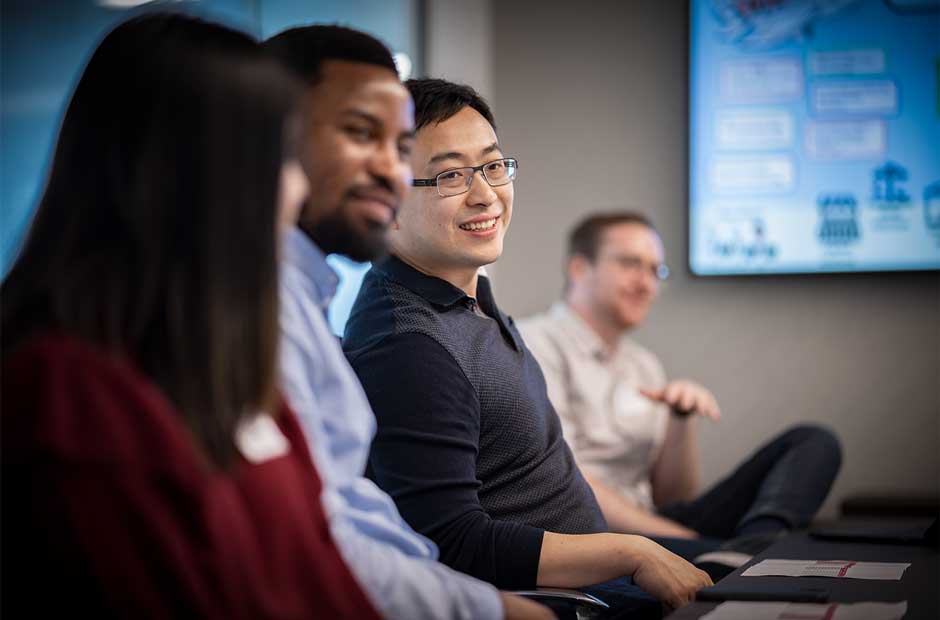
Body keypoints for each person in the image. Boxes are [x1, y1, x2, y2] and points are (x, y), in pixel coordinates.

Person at [1, 13, 377, 618]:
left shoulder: (223, 370)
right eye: (283, 161)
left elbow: (322, 573)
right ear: (204, 177)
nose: (299, 193)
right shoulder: (67, 397)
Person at [343, 78, 712, 618]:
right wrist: (630, 552)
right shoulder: (409, 347)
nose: (485, 194)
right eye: (450, 176)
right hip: (579, 598)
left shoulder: (466, 296)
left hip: (606, 574)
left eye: (493, 166)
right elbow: (453, 544)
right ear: (390, 198)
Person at [264, 25, 553, 620]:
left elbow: (351, 518)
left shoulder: (303, 301)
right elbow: (323, 549)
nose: (390, 174)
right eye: (358, 134)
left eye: (397, 148)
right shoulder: (403, 341)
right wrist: (494, 609)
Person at [518, 212, 842, 548]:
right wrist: (691, 542)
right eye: (630, 264)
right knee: (712, 550)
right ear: (579, 269)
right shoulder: (534, 344)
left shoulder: (642, 364)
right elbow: (563, 484)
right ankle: (742, 556)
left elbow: (673, 497)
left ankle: (755, 545)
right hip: (590, 531)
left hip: (650, 520)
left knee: (814, 442)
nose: (646, 283)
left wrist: (680, 420)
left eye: (655, 270)